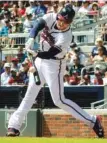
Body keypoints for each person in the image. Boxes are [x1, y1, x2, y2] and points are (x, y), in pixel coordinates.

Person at [7, 4, 104, 138]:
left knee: (59, 100)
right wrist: (31, 37)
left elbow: (50, 53)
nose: (62, 23)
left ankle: (93, 121)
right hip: (39, 61)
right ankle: (14, 125)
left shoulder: (66, 36)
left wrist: (35, 54)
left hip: (54, 64)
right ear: (58, 16)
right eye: (60, 19)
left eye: (66, 21)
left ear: (70, 22)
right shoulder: (51, 17)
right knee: (30, 94)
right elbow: (37, 25)